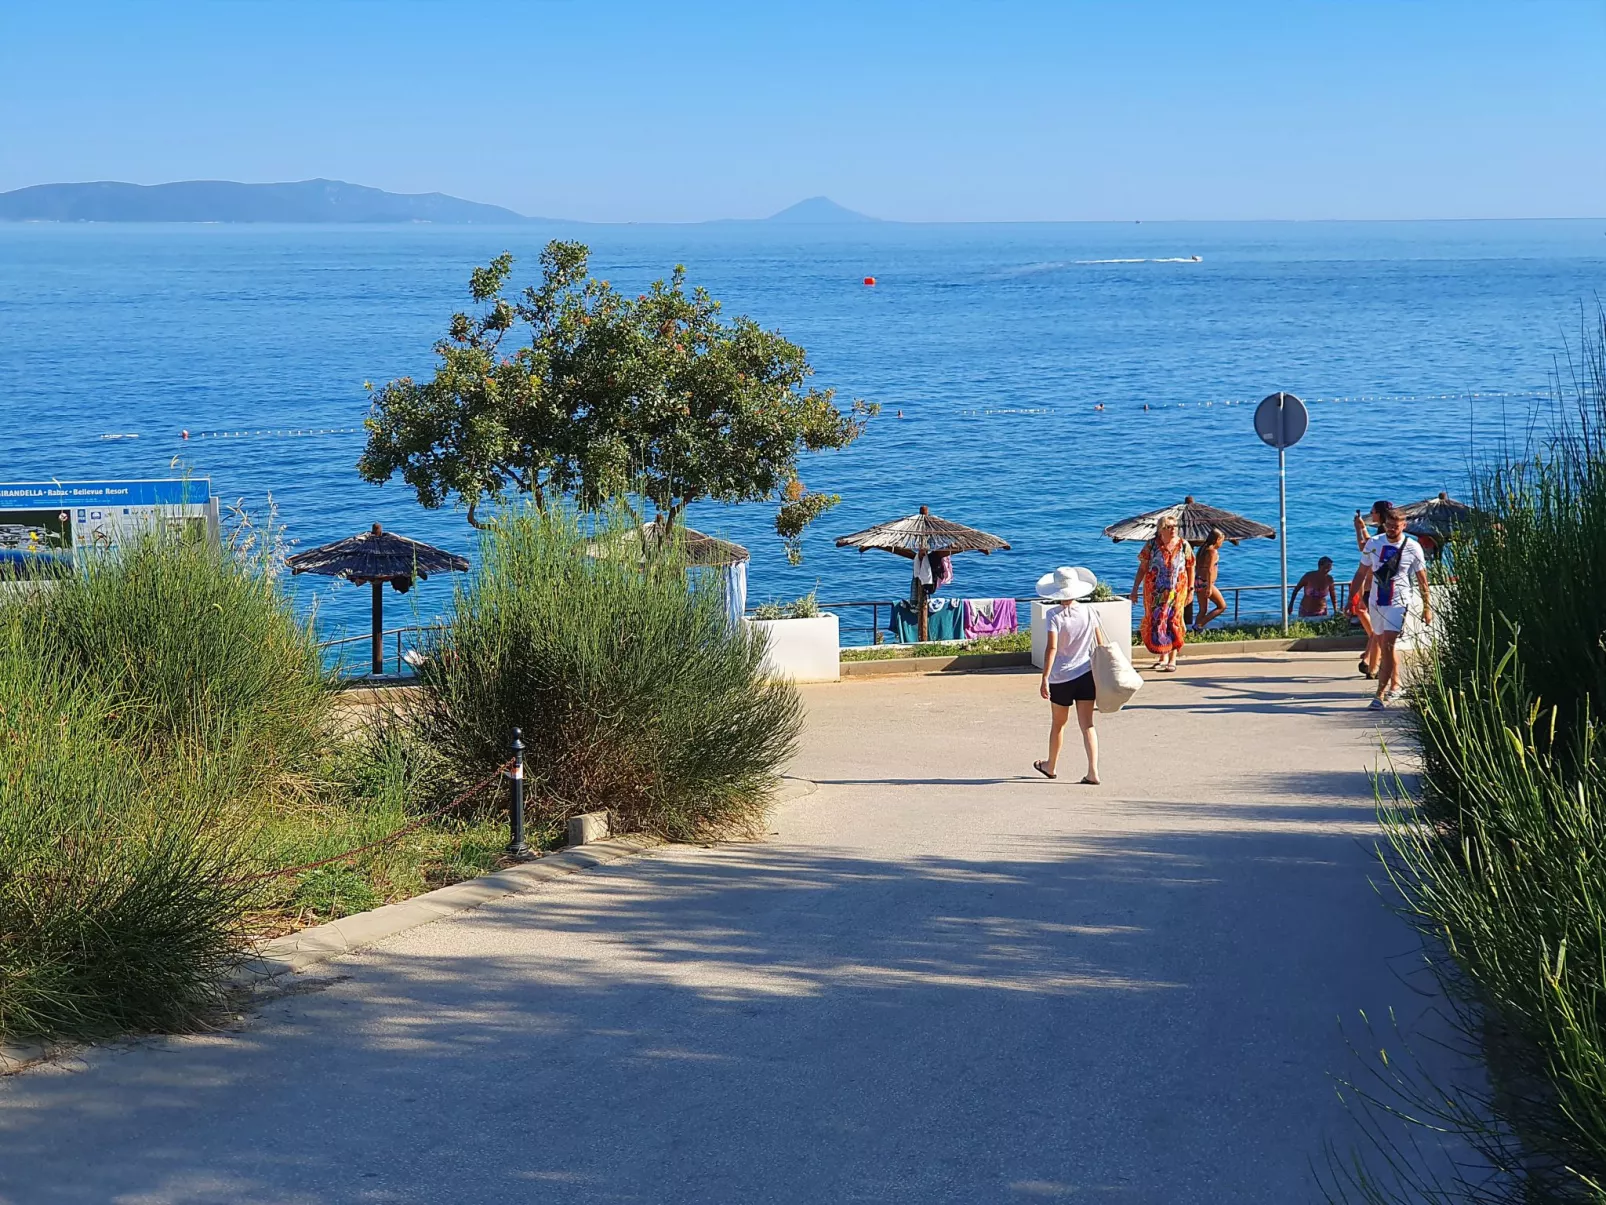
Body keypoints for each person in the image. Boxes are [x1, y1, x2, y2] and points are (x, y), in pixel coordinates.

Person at [1355, 506, 1432, 709]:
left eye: (1396, 527)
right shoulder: (1373, 543)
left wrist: (1427, 606)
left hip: (1398, 602)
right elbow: (1361, 572)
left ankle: (1379, 695)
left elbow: (1422, 580)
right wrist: (1352, 599)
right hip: (1376, 601)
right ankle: (1396, 685)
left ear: (1404, 526)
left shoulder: (1412, 547)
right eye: (1388, 526)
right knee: (1383, 646)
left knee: (1388, 644)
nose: (1391, 530)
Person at [1033, 566, 1101, 784]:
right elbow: (1100, 644)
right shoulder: (1090, 611)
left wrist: (1044, 677)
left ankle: (1050, 766)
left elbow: (1052, 648)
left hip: (1061, 677)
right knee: (1087, 725)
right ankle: (1093, 772)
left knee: (1058, 724)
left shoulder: (1054, 615)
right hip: (1086, 673)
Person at [1133, 514, 1194, 672]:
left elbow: (1190, 566)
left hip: (1177, 591)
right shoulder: (1151, 545)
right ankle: (1163, 655)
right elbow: (1143, 568)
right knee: (1158, 622)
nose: (1173, 529)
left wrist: (1191, 589)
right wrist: (1134, 589)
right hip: (1154, 593)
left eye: (1175, 526)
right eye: (1169, 527)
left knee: (1173, 621)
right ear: (1161, 530)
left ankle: (1172, 658)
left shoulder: (1183, 545)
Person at [1349, 500, 1391, 679]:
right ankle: (1370, 661)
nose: (1371, 514)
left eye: (1373, 512)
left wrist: (1359, 528)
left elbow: (1365, 546)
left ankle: (1371, 663)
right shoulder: (1386, 532)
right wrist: (1361, 528)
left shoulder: (1384, 533)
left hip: (1376, 585)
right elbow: (1367, 545)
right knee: (1371, 621)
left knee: (1378, 628)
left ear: (1379, 514)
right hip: (1375, 584)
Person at [1191, 528, 1227, 631]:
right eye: (1222, 541)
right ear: (1217, 539)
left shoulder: (1203, 548)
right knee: (1222, 606)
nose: (1222, 543)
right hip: (1205, 582)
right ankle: (1199, 625)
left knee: (1203, 610)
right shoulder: (1212, 551)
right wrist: (1210, 587)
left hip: (1198, 580)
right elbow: (1210, 569)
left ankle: (1195, 631)